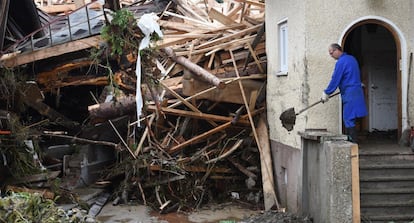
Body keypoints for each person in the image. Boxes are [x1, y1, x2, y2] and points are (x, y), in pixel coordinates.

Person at [321, 43, 367, 143]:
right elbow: (354, 74)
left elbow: (335, 79)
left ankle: (352, 144)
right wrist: (358, 83)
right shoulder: (352, 59)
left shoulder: (341, 62)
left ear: (337, 50)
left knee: (348, 118)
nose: (331, 56)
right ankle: (353, 141)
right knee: (353, 116)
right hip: (356, 90)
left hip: (350, 93)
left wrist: (327, 92)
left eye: (331, 53)